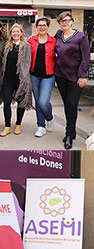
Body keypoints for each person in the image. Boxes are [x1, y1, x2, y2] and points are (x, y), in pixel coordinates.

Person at [55, 11, 90, 149]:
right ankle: (72, 131)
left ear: (72, 21)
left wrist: (83, 76)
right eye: (62, 21)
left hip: (75, 76)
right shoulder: (58, 35)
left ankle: (69, 134)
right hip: (60, 75)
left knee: (71, 104)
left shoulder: (81, 37)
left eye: (67, 20)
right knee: (66, 104)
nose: (64, 23)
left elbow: (86, 58)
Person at [0, 23, 32, 137]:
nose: (16, 33)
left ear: (21, 33)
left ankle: (18, 124)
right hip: (8, 79)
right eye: (13, 31)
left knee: (21, 103)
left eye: (18, 31)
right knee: (6, 102)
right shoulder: (7, 46)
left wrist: (24, 80)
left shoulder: (26, 46)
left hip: (21, 79)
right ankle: (7, 126)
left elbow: (27, 63)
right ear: (10, 34)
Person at [28, 17, 56, 137]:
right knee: (38, 102)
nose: (42, 27)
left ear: (48, 27)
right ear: (36, 27)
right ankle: (41, 126)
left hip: (48, 76)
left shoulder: (54, 41)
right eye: (39, 25)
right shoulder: (31, 40)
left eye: (44, 25)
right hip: (34, 75)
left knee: (43, 102)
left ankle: (49, 117)